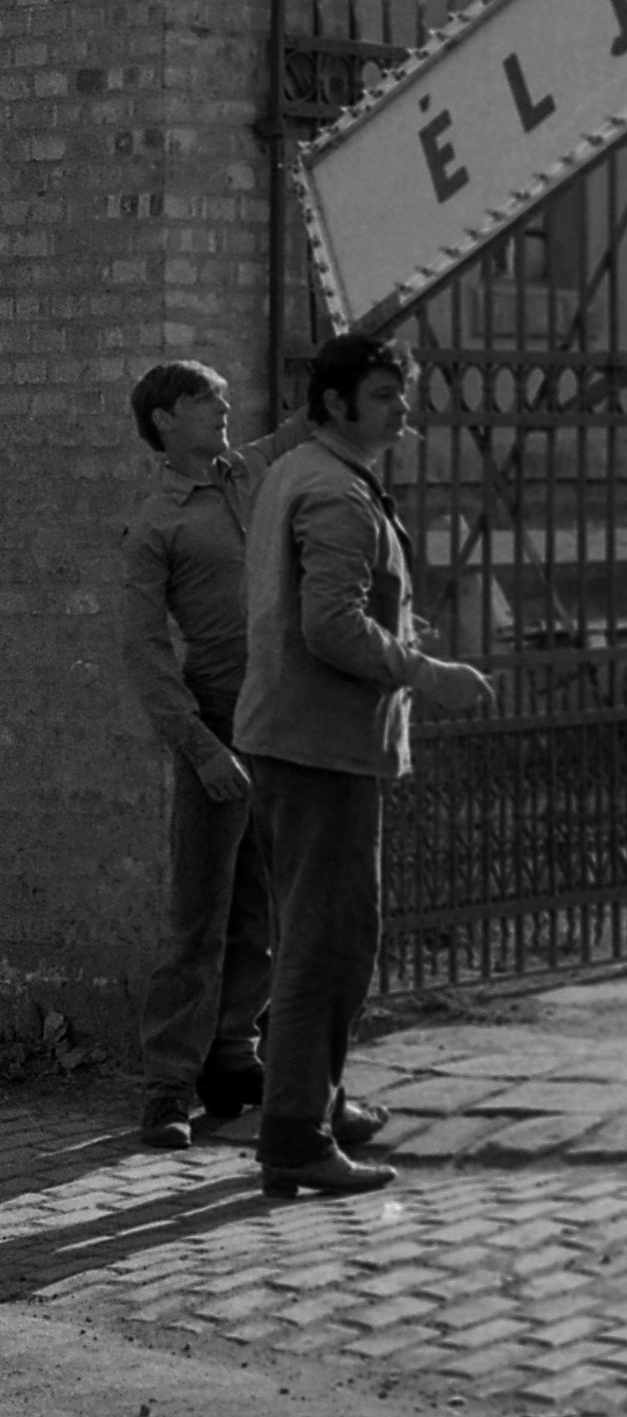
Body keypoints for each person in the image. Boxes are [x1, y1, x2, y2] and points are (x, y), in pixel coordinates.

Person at [235, 328, 494, 1201]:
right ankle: (295, 1138)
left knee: (335, 934)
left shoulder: (302, 472)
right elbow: (331, 626)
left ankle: (318, 1098)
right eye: (384, 395)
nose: (401, 409)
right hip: (321, 750)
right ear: (338, 404)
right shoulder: (337, 493)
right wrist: (429, 672)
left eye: (402, 392)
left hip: (296, 739)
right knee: (326, 944)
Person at [119, 364, 311, 1151]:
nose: (225, 409)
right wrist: (199, 748)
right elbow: (142, 648)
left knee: (265, 904)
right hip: (219, 720)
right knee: (198, 914)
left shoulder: (252, 470)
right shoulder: (156, 523)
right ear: (166, 420)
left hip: (281, 722)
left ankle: (234, 1059)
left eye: (226, 399)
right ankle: (166, 1088)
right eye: (207, 401)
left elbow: (311, 421)